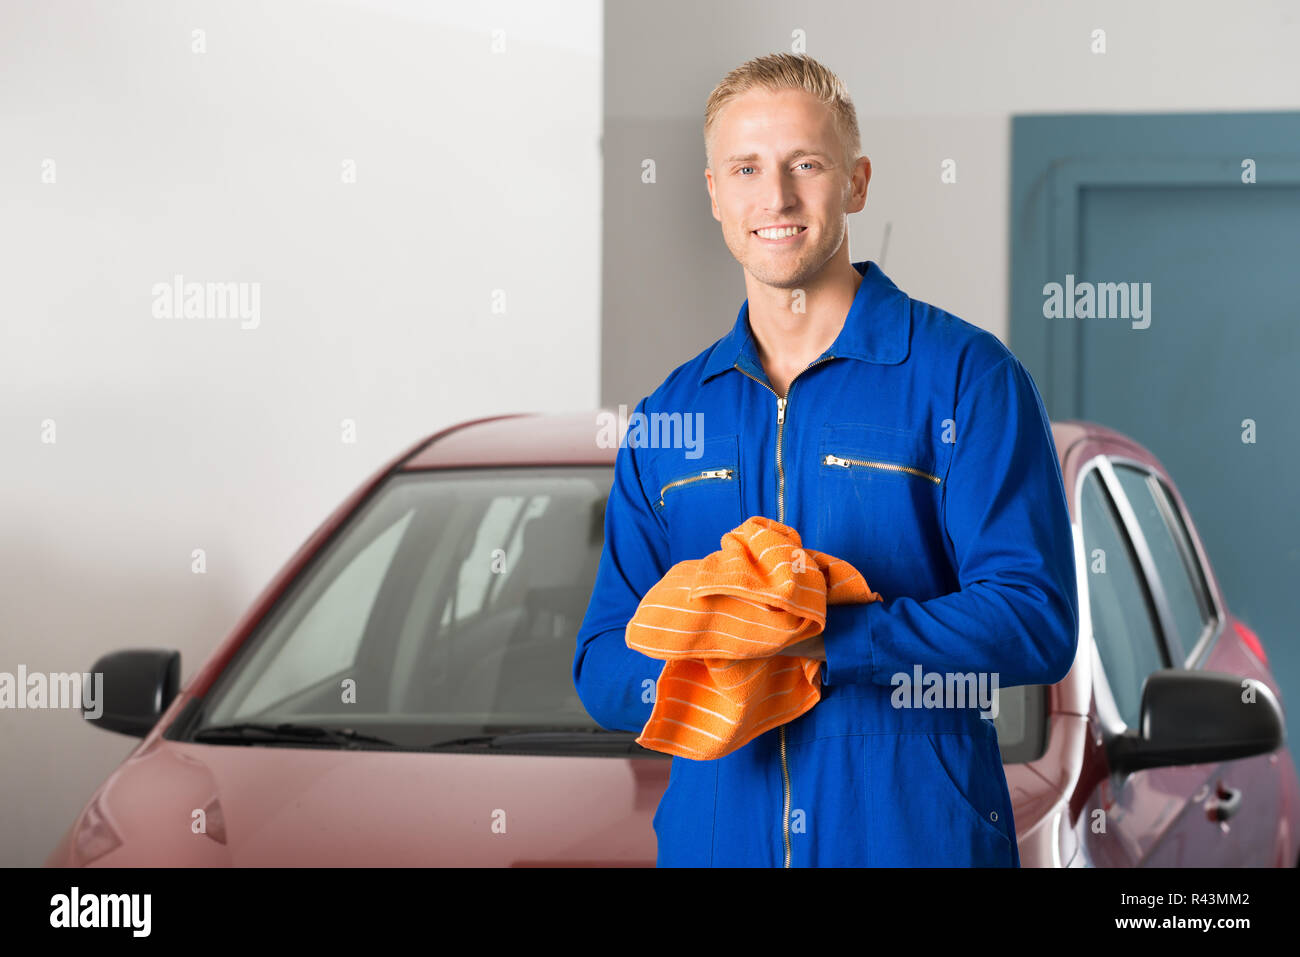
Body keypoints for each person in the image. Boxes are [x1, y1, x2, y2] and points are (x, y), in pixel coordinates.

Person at [573, 51, 1078, 867]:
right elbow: (601, 663)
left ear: (857, 181)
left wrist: (820, 635)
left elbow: (1034, 618)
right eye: (746, 168)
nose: (774, 198)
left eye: (805, 164)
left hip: (916, 844)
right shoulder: (672, 414)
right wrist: (720, 641)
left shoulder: (966, 379)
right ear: (714, 193)